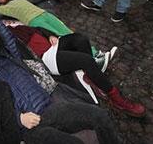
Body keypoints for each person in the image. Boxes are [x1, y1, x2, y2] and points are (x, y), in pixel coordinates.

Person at [0, 3, 121, 144]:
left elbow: (9, 38)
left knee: (100, 116)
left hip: (48, 108)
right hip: (30, 127)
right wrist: (19, 118)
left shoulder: (10, 58)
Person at [8, 24, 144, 116]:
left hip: (53, 46)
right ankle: (116, 99)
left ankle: (91, 76)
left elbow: (39, 29)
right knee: (86, 60)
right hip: (46, 58)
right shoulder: (8, 41)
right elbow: (19, 55)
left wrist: (50, 35)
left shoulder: (19, 27)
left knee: (81, 39)